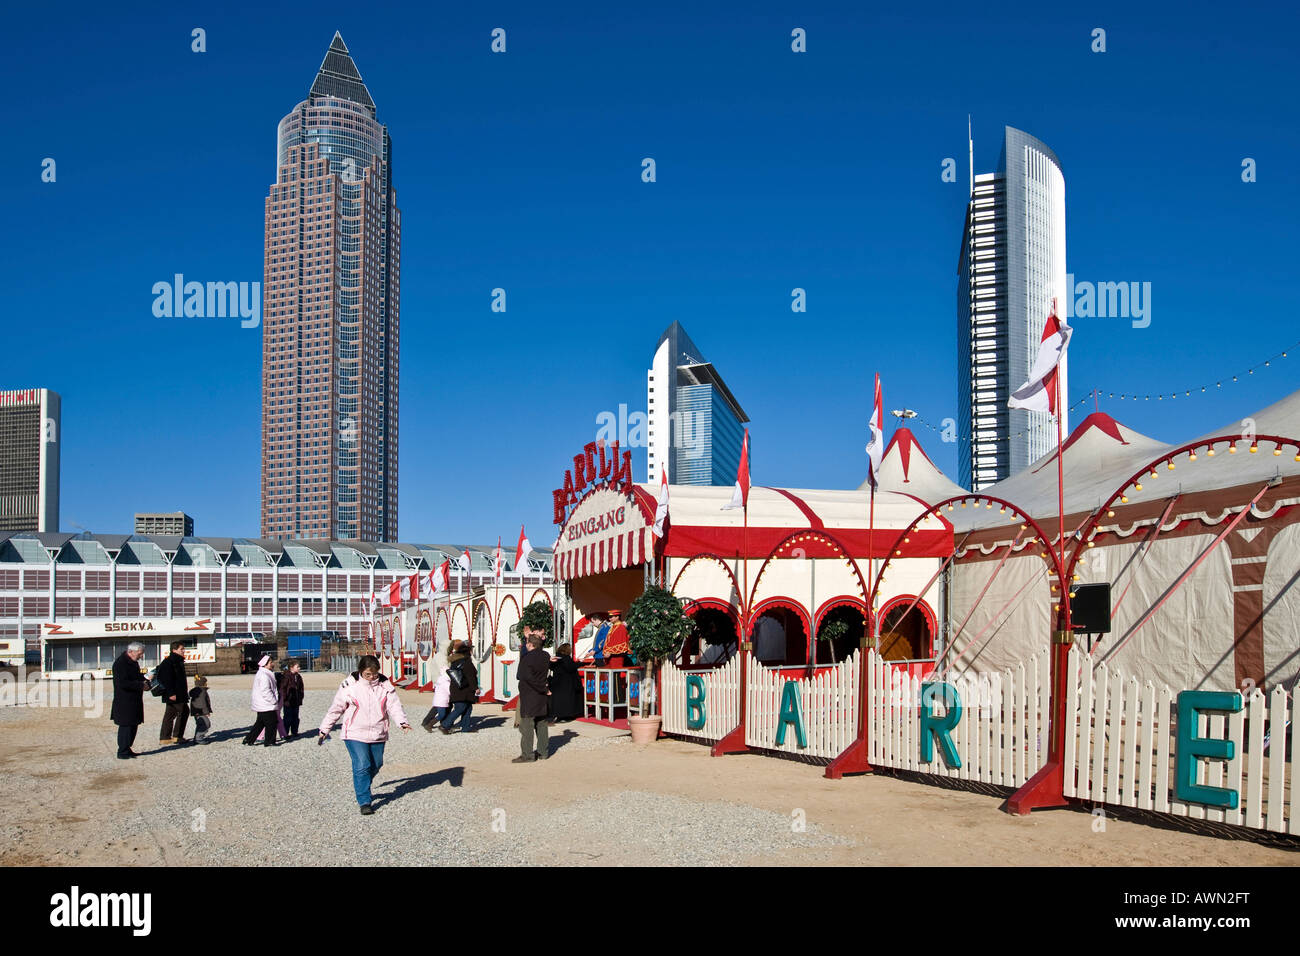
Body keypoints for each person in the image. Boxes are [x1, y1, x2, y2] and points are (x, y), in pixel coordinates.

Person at [318, 654, 411, 815]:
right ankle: (364, 800)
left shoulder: (385, 686)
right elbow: (336, 708)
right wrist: (325, 729)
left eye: (374, 674)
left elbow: (394, 706)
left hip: (378, 731)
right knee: (362, 765)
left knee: (377, 764)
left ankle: (363, 785)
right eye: (368, 674)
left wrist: (402, 721)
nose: (371, 677)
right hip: (354, 732)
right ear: (361, 671)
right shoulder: (349, 686)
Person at [514, 630, 551, 763]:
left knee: (527, 725)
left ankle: (527, 754)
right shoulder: (546, 655)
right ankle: (543, 752)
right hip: (541, 693)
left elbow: (522, 676)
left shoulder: (527, 658)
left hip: (530, 693)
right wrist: (544, 688)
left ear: (530, 645)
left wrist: (542, 688)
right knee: (541, 723)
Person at [110, 642, 148, 759]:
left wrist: (146, 681)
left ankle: (127, 748)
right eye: (140, 654)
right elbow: (123, 683)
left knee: (133, 724)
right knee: (126, 726)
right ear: (131, 651)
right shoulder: (120, 664)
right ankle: (122, 751)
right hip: (124, 701)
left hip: (134, 699)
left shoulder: (133, 663)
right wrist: (140, 685)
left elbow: (137, 677)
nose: (141, 656)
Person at [155, 640, 190, 745]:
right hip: (175, 694)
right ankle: (177, 736)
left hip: (178, 693)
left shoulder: (177, 661)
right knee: (184, 711)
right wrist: (171, 693)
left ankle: (165, 737)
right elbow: (166, 679)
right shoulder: (170, 662)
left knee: (170, 714)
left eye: (184, 648)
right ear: (174, 650)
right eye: (181, 649)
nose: (184, 651)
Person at [242, 655, 280, 747]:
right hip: (265, 704)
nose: (273, 664)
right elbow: (265, 690)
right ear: (265, 664)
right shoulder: (264, 675)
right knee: (272, 722)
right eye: (271, 662)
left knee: (260, 723)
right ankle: (269, 741)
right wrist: (273, 701)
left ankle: (249, 739)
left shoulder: (264, 673)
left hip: (262, 704)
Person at [441, 640, 478, 733]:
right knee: (460, 708)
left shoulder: (455, 661)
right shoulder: (466, 662)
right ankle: (445, 725)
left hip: (456, 688)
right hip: (464, 690)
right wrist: (475, 688)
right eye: (471, 649)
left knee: (468, 707)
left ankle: (465, 728)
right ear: (468, 651)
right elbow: (471, 676)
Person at [548, 643, 583, 723]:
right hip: (566, 682)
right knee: (567, 700)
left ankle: (558, 716)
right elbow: (570, 667)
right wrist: (580, 663)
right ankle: (566, 716)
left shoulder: (556, 658)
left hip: (556, 682)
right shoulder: (566, 658)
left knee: (557, 700)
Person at [421, 666, 451, 732]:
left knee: (439, 713)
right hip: (442, 701)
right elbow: (449, 691)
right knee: (441, 715)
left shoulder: (440, 679)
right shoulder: (446, 682)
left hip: (438, 700)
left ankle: (428, 723)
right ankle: (429, 725)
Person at [279, 661, 305, 738]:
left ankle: (294, 731)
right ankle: (285, 733)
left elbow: (301, 688)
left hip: (296, 701)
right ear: (291, 668)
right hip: (288, 701)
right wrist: (284, 698)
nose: (299, 668)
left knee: (295, 717)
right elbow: (283, 688)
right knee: (287, 718)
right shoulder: (287, 676)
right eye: (297, 667)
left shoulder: (299, 677)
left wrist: (300, 697)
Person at [189, 676, 214, 743]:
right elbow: (202, 703)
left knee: (200, 724)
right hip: (200, 711)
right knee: (206, 724)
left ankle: (196, 738)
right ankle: (199, 738)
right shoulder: (201, 691)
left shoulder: (196, 691)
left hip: (196, 711)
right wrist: (206, 712)